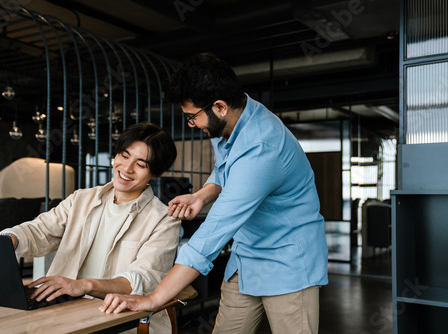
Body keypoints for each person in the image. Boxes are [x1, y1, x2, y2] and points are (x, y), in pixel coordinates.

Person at [100, 53, 328, 334]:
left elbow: (213, 234)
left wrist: (154, 299)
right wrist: (202, 195)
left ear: (219, 106)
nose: (192, 125)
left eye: (192, 117)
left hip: (288, 263)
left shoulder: (261, 148)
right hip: (246, 257)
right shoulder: (232, 122)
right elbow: (225, 170)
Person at [0, 122, 181, 333]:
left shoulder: (164, 220)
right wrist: (9, 240)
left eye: (141, 164)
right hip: (64, 313)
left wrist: (85, 285)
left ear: (155, 173)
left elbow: (140, 279)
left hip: (121, 321)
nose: (127, 169)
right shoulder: (81, 199)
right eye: (124, 155)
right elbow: (39, 230)